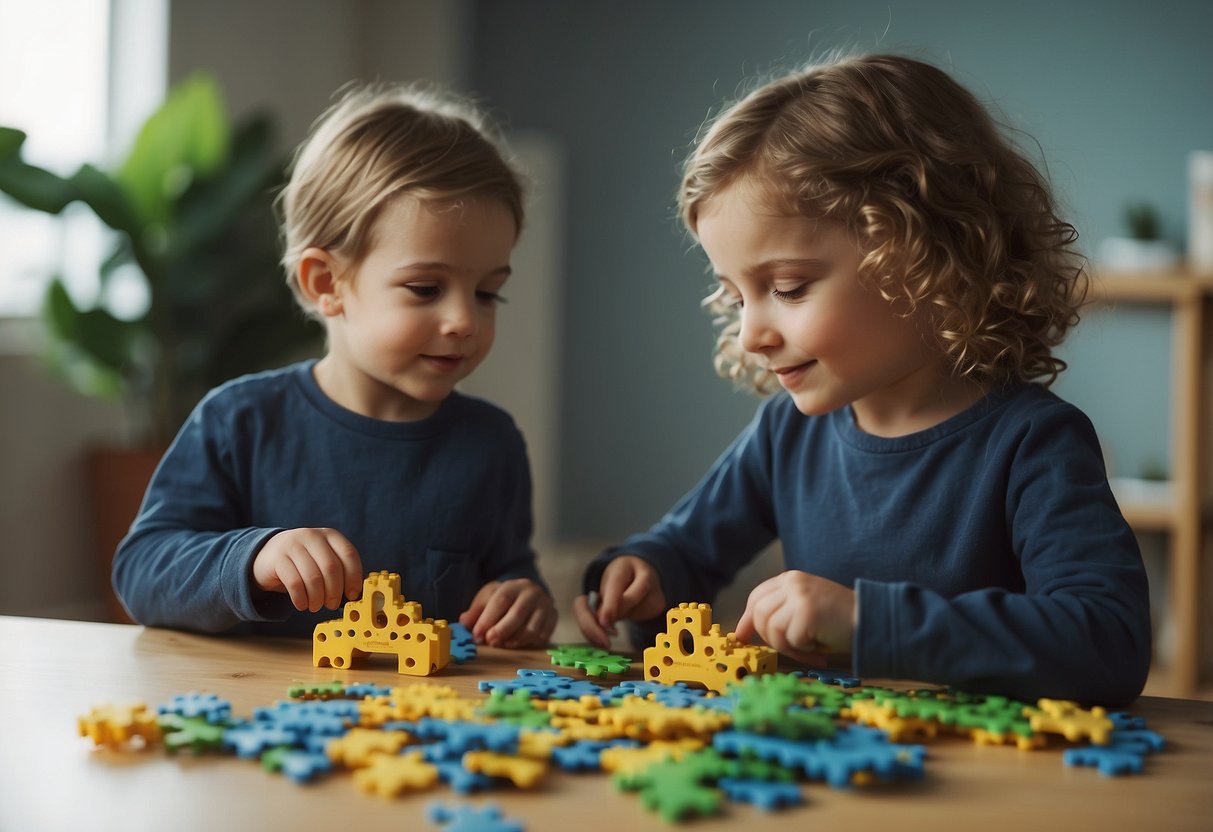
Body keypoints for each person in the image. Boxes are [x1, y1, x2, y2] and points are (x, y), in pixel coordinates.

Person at [576, 53, 1151, 705]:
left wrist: (867, 623)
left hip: (983, 789)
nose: (749, 335)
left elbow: (1108, 642)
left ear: (922, 256)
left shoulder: (1033, 444)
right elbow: (687, 551)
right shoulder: (788, 431)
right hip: (817, 765)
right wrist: (645, 574)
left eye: (787, 288)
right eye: (736, 297)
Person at [114, 83, 557, 648]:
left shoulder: (491, 445)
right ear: (326, 284)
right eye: (426, 288)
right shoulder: (238, 421)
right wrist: (252, 560)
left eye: (488, 293)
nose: (464, 320)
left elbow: (512, 572)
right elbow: (142, 572)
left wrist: (524, 598)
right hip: (259, 719)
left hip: (423, 727)